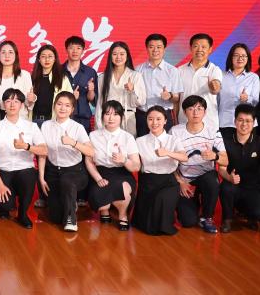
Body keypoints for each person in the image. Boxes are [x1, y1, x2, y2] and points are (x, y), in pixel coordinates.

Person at [0, 88, 48, 229]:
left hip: (24, 169)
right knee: (5, 206)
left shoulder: (31, 126)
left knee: (28, 175)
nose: (12, 104)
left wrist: (26, 146)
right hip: (4, 170)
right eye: (8, 101)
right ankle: (3, 206)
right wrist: (0, 185)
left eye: (16, 101)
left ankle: (22, 213)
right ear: (3, 105)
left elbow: (44, 150)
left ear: (22, 105)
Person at [171, 95, 228, 233]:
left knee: (212, 181)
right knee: (188, 222)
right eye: (191, 109)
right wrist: (180, 181)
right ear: (185, 112)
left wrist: (215, 156)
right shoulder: (175, 131)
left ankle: (207, 217)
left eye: (199, 109)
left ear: (205, 112)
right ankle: (194, 201)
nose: (195, 113)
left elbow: (225, 160)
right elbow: (168, 161)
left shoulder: (213, 130)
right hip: (184, 179)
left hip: (205, 176)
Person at [38, 92, 95, 232]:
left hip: (75, 171)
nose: (63, 108)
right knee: (55, 217)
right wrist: (41, 177)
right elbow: (43, 153)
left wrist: (73, 142)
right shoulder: (46, 125)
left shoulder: (77, 127)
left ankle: (71, 219)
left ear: (72, 109)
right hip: (53, 171)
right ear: (54, 106)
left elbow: (91, 152)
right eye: (59, 104)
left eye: (67, 105)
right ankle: (70, 203)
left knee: (67, 182)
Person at [132, 105, 187, 236]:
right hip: (148, 181)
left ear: (165, 121)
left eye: (158, 119)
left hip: (168, 181)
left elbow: (184, 158)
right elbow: (135, 163)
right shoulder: (139, 141)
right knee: (147, 225)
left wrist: (168, 153)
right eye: (150, 119)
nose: (154, 123)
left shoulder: (173, 140)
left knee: (161, 199)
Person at [86, 100, 140, 231]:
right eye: (107, 114)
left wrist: (124, 160)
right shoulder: (93, 136)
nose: (111, 118)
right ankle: (104, 210)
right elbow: (89, 161)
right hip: (100, 173)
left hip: (122, 173)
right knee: (101, 204)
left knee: (124, 191)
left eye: (115, 114)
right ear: (102, 116)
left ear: (121, 117)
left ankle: (122, 215)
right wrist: (98, 178)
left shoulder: (128, 137)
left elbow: (136, 166)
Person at [219, 104, 260, 233]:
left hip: (254, 188)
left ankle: (246, 213)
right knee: (226, 187)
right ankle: (227, 219)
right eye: (240, 120)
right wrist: (229, 177)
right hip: (233, 185)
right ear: (235, 121)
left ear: (254, 123)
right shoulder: (225, 141)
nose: (244, 124)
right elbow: (222, 168)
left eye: (248, 121)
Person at [94, 41, 146, 137]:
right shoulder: (102, 77)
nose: (118, 57)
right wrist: (98, 123)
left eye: (122, 54)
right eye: (115, 54)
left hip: (127, 118)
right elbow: (100, 102)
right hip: (108, 118)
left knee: (127, 145)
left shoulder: (135, 76)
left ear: (127, 56)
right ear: (110, 56)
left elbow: (141, 102)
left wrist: (132, 90)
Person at [135, 34, 181, 137]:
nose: (155, 50)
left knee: (165, 145)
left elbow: (177, 98)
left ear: (164, 49)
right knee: (142, 144)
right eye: (151, 47)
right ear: (147, 49)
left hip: (164, 116)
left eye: (159, 47)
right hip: (143, 115)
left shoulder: (173, 71)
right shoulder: (138, 70)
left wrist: (170, 95)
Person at [177, 33, 223, 131]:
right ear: (190, 48)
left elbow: (216, 89)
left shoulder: (214, 70)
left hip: (208, 123)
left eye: (203, 47)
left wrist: (214, 86)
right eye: (196, 46)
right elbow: (177, 99)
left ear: (210, 49)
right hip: (184, 121)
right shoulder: (180, 70)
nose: (199, 50)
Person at [0, 41, 34, 127]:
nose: (7, 56)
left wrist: (31, 100)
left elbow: (28, 103)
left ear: (16, 55)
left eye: (10, 52)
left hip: (19, 121)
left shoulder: (24, 75)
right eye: (3, 52)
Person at [218, 43, 259, 140]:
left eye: (244, 56)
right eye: (236, 55)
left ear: (248, 58)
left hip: (246, 124)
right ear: (231, 57)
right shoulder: (220, 75)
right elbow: (216, 100)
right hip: (225, 122)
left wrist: (247, 98)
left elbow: (256, 101)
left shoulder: (253, 77)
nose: (240, 58)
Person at [62, 36, 98, 132]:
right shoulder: (58, 71)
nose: (75, 51)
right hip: (62, 118)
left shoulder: (90, 72)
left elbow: (92, 100)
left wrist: (91, 90)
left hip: (83, 120)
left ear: (83, 51)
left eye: (78, 48)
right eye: (71, 48)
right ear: (66, 50)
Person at [30, 45, 71, 129]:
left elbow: (70, 99)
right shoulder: (32, 78)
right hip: (35, 121)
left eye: (50, 56)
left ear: (55, 59)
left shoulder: (63, 78)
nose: (47, 59)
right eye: (43, 56)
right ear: (39, 59)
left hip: (54, 121)